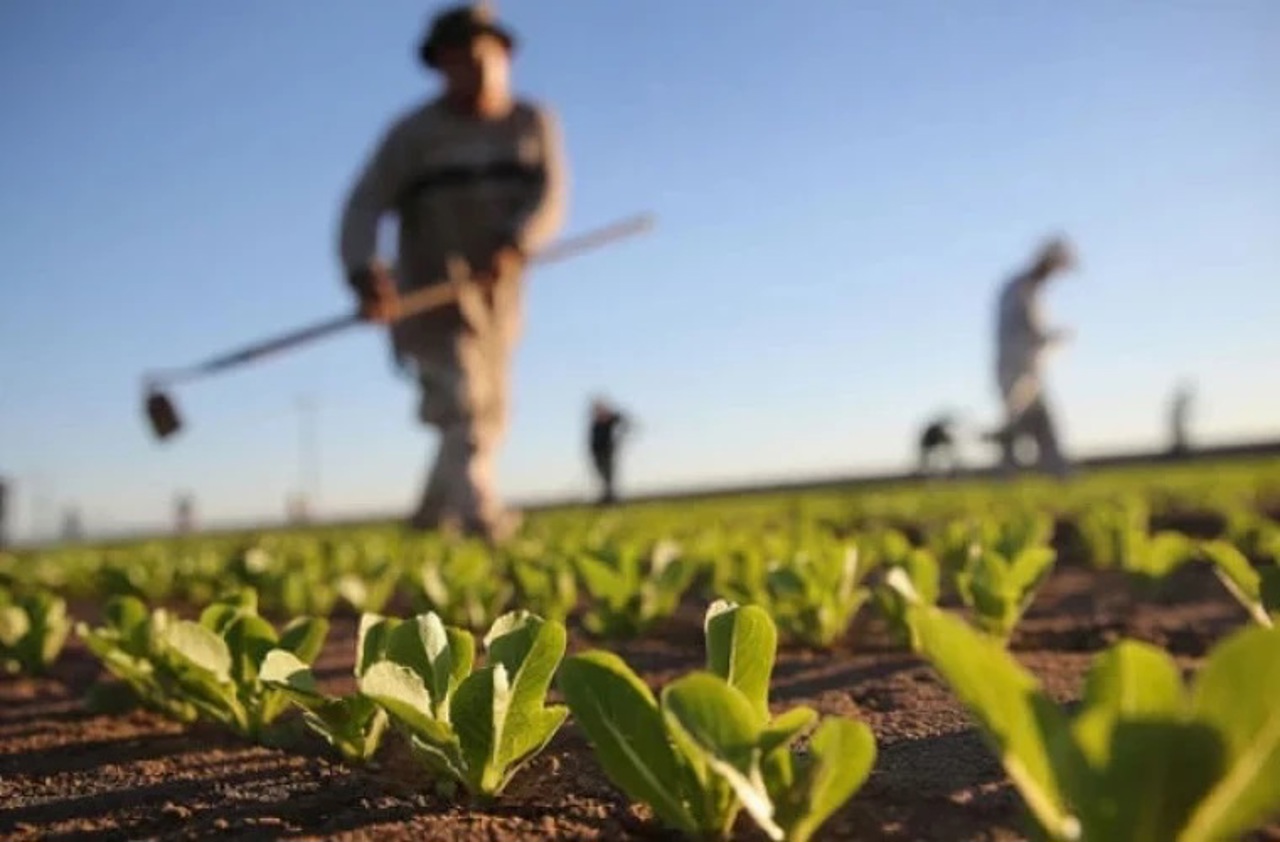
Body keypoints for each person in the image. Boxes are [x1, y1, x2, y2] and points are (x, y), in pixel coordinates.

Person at [337, 4, 567, 542]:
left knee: (488, 412)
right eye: (459, 60)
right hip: (429, 297)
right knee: (462, 402)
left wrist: (517, 242)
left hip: (498, 301)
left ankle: (427, 518)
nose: (474, 69)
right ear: (440, 65)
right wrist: (363, 272)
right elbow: (363, 206)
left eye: (484, 57)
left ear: (505, 56)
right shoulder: (413, 135)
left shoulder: (533, 124)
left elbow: (549, 198)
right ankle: (479, 518)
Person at [991, 236, 1076, 477]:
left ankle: (1058, 473)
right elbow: (1023, 329)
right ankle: (1008, 477)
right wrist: (1051, 337)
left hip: (1029, 370)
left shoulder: (1030, 289)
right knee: (1016, 425)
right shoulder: (1020, 288)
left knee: (1041, 423)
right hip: (1016, 370)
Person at [588, 398, 630, 505]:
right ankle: (607, 497)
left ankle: (610, 498)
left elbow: (623, 421)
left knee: (609, 476)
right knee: (603, 477)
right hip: (597, 454)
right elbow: (592, 441)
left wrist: (622, 433)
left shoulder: (610, 419)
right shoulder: (596, 424)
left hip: (607, 453)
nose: (597, 412)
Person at [1169, 380, 1195, 456]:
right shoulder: (1177, 409)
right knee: (1179, 434)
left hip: (1179, 426)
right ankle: (1181, 452)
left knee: (1181, 435)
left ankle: (1182, 451)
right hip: (1178, 426)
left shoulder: (1178, 409)